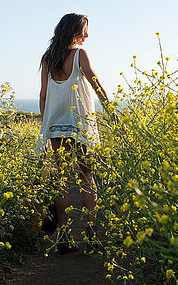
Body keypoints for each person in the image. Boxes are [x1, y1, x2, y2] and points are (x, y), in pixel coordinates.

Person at [35, 13, 110, 254]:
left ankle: (65, 238)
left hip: (56, 127)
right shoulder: (79, 54)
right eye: (84, 31)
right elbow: (95, 83)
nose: (86, 36)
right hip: (79, 126)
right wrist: (111, 111)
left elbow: (43, 95)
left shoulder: (49, 58)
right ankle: (91, 235)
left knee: (63, 181)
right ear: (73, 32)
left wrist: (46, 126)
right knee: (87, 177)